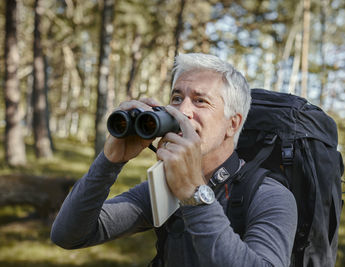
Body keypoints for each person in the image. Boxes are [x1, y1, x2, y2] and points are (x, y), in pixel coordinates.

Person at [51, 53, 297, 266]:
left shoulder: (269, 196)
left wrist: (194, 195)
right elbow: (68, 235)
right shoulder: (167, 186)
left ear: (232, 124)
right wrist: (109, 162)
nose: (181, 111)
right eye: (177, 98)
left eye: (200, 101)